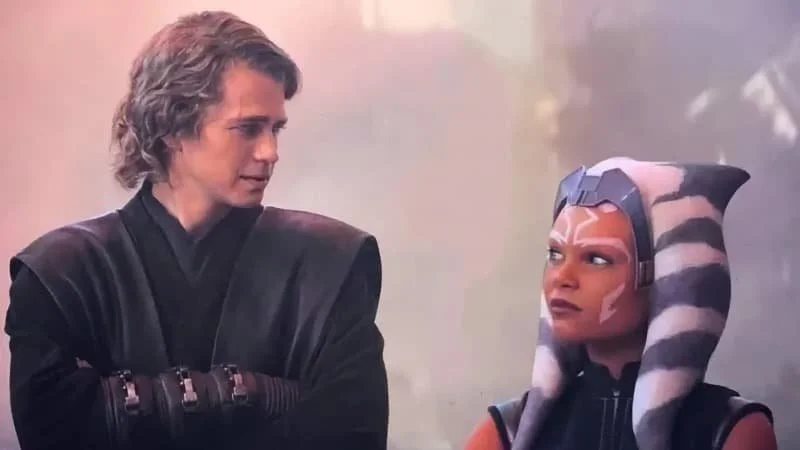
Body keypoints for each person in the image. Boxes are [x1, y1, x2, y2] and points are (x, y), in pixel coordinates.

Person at [5, 11, 388, 450]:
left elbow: (352, 435)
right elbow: (55, 433)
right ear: (172, 128)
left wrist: (118, 407)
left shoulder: (330, 265)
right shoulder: (59, 276)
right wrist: (265, 396)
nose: (270, 151)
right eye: (248, 128)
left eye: (275, 129)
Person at [465, 157, 778, 450]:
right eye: (555, 254)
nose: (562, 277)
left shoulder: (730, 430)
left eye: (596, 259)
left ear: (667, 274)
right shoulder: (505, 432)